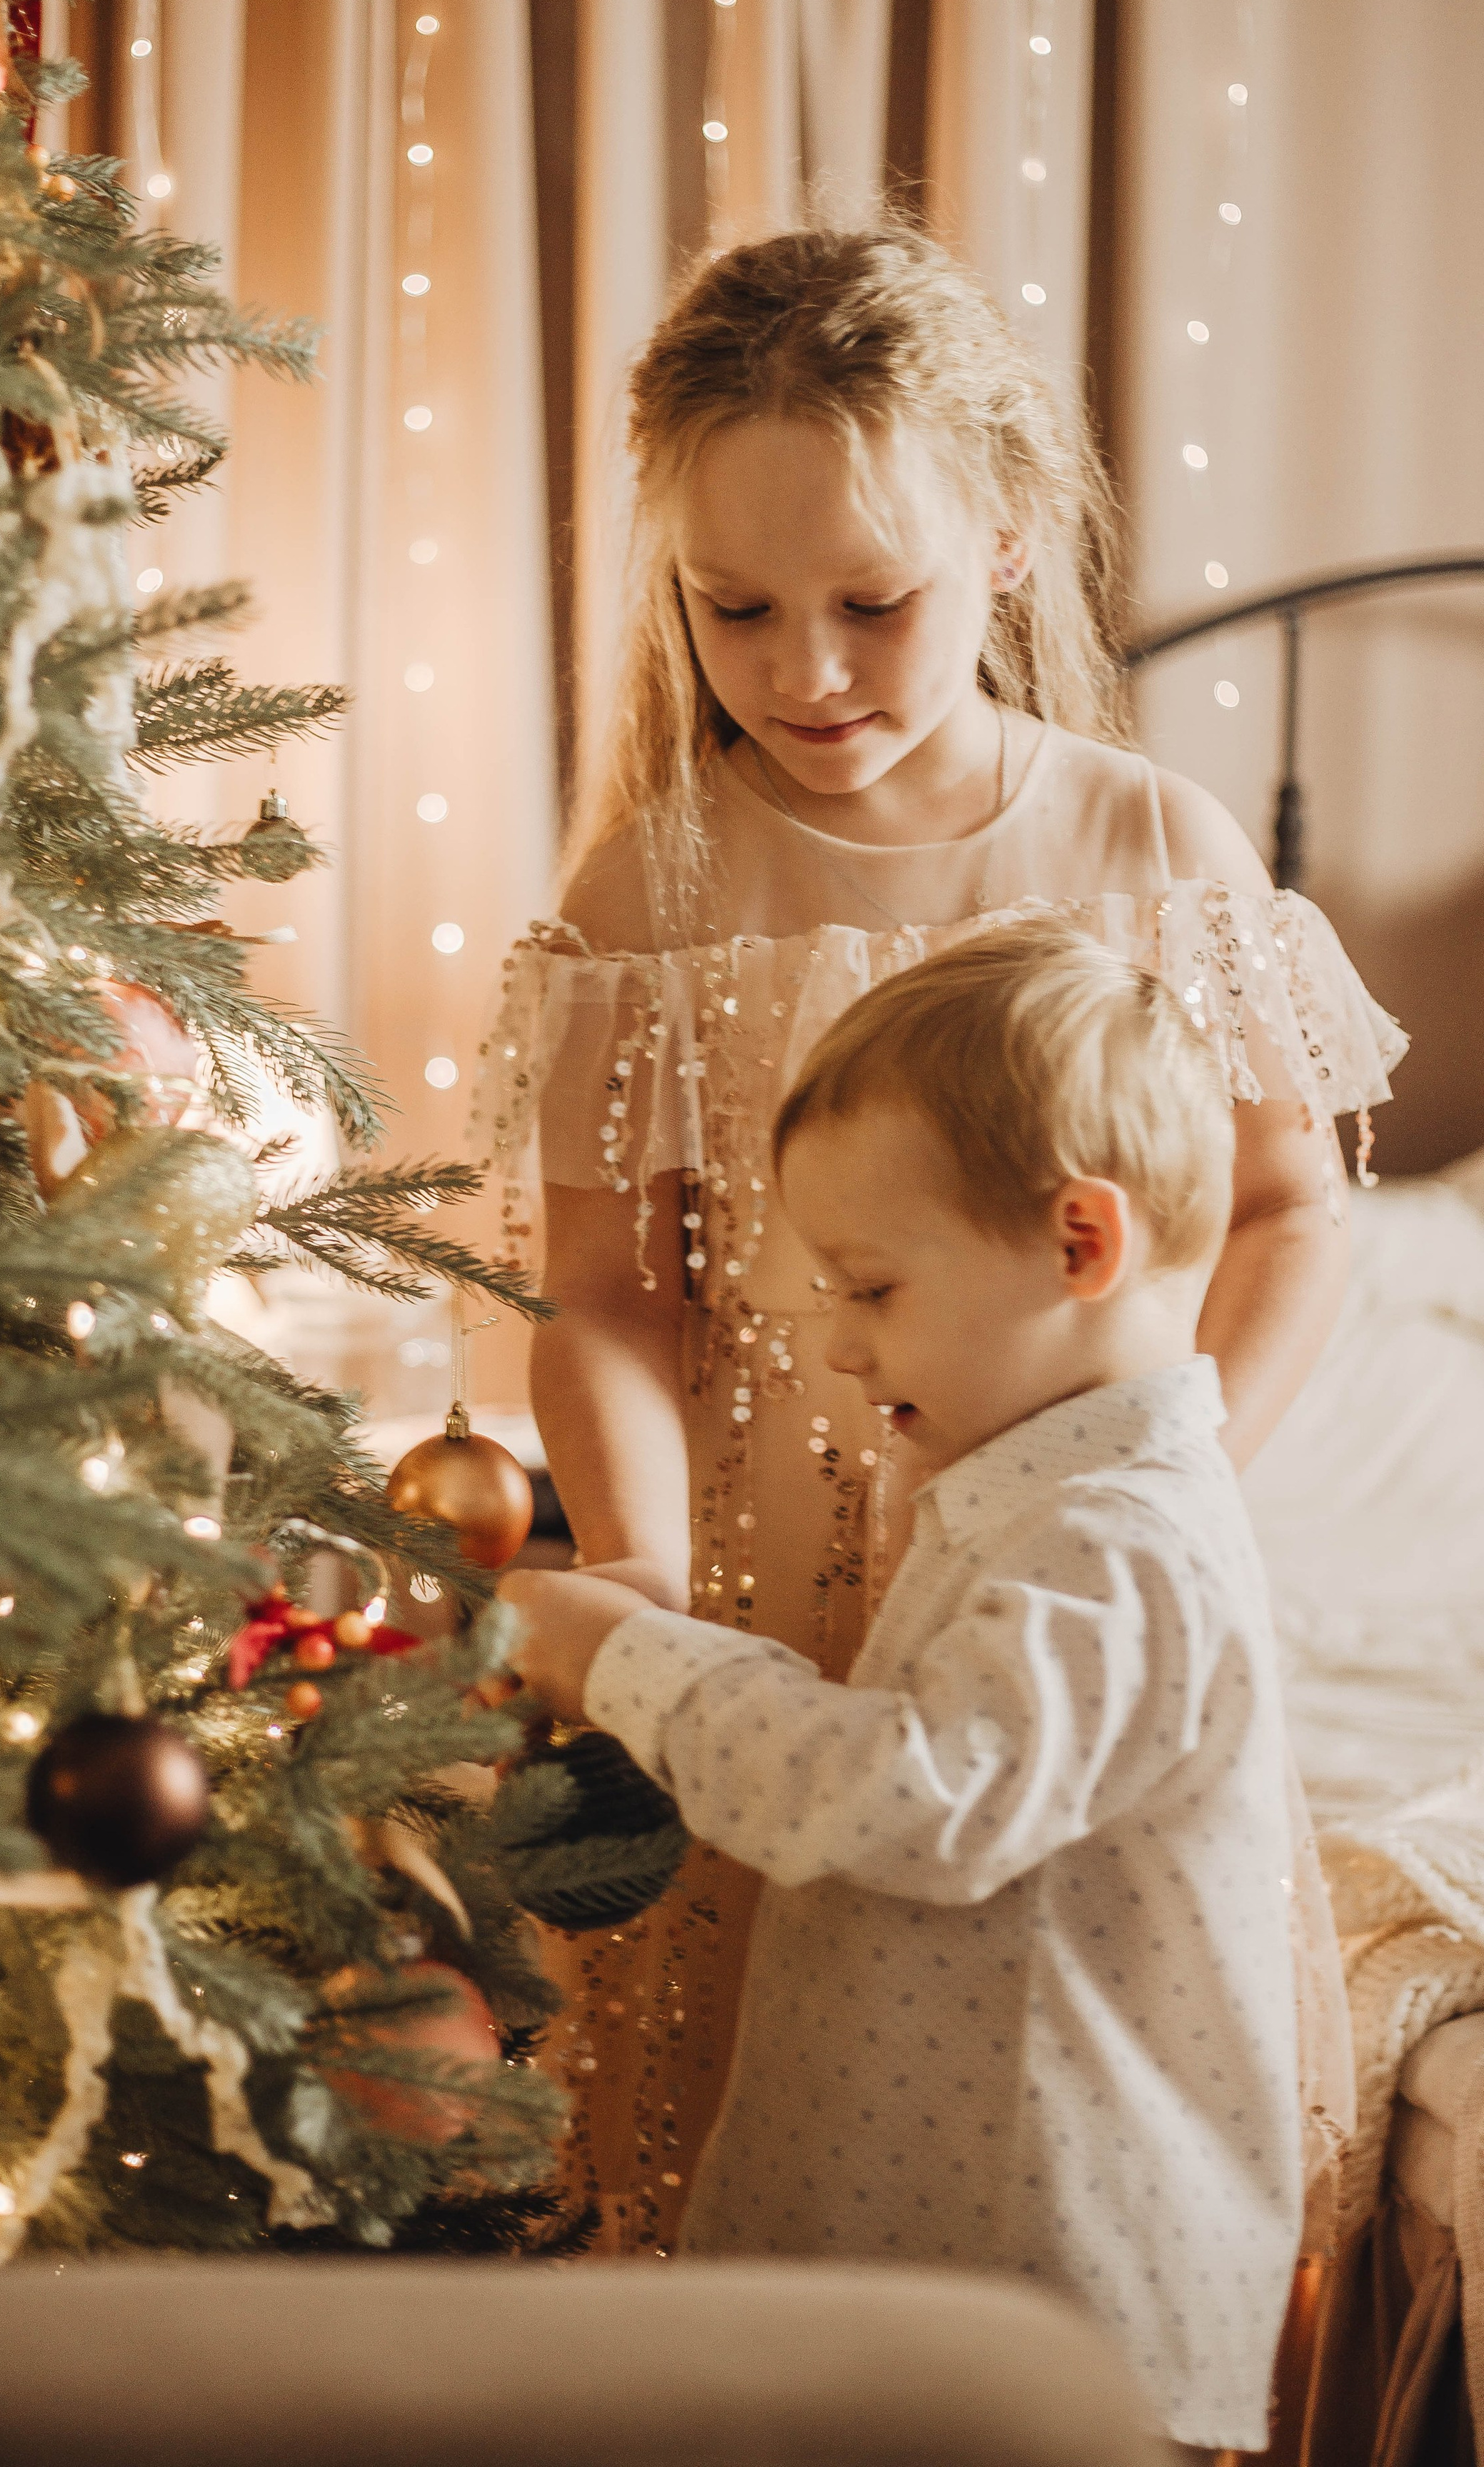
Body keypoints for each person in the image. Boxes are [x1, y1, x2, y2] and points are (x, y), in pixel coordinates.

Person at [474, 218, 1398, 2248]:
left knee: (1073, 2116)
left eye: (871, 604)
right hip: (763, 1597)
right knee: (766, 2124)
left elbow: (1283, 1207)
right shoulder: (651, 889)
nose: (803, 672)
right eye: (735, 609)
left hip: (1076, 1578)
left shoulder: (1151, 849)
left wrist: (1155, 1483)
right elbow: (608, 1299)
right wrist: (644, 1586)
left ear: (1003, 541)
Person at [501, 924, 1304, 2456]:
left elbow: (915, 1797)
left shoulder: (1119, 1541)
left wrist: (619, 1657)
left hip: (1042, 2289)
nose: (843, 1348)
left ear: (1080, 1244)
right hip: (951, 2256)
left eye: (868, 1289)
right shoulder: (1032, 1496)